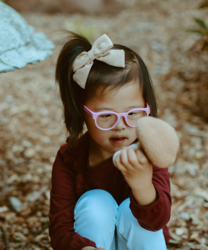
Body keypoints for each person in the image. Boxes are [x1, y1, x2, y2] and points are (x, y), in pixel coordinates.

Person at [49, 32, 171, 250]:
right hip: (93, 242)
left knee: (129, 210)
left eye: (133, 113)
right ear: (82, 112)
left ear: (147, 108)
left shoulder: (151, 151)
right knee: (96, 201)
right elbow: (60, 229)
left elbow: (158, 222)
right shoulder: (70, 159)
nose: (120, 125)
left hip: (139, 241)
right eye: (105, 115)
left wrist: (143, 185)